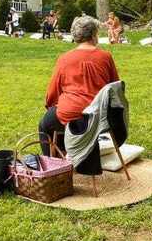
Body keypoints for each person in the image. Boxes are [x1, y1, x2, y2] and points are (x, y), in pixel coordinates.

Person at [39, 16, 119, 156]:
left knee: (45, 124)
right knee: (56, 118)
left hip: (70, 114)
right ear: (94, 35)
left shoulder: (64, 59)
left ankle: (55, 162)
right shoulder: (105, 57)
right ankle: (73, 153)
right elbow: (115, 87)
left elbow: (53, 91)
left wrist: (50, 106)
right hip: (99, 115)